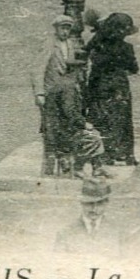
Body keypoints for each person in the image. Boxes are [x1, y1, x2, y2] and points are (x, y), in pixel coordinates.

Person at [82, 12, 140, 166]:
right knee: (122, 120)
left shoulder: (98, 43)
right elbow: (133, 68)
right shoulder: (126, 48)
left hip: (98, 85)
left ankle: (105, 153)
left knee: (101, 119)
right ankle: (125, 154)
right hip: (119, 88)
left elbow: (85, 53)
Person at [39, 16, 84, 176]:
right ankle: (50, 165)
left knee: (66, 124)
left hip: (66, 91)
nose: (65, 32)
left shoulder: (70, 44)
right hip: (51, 91)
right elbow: (37, 69)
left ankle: (65, 160)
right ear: (56, 29)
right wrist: (39, 93)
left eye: (67, 29)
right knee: (51, 127)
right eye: (62, 28)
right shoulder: (49, 44)